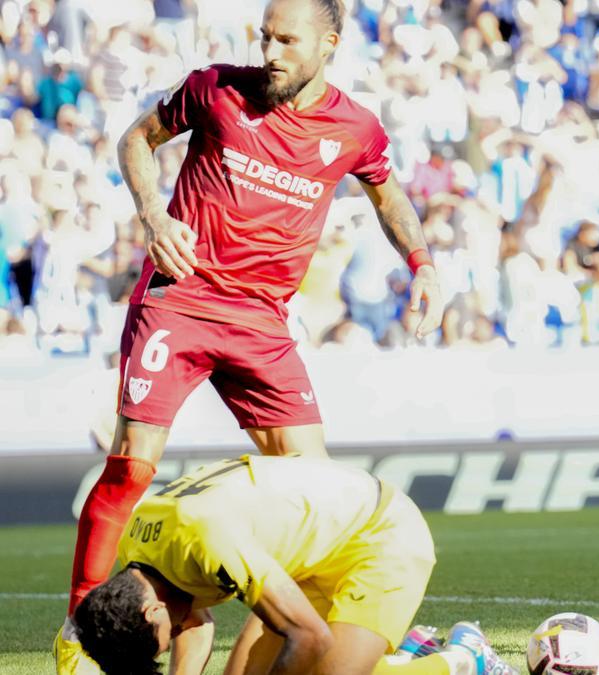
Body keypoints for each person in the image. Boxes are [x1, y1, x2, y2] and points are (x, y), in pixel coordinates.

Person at [54, 0, 446, 671]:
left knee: (317, 487)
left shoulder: (353, 127)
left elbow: (388, 195)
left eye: (287, 40)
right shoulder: (216, 88)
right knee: (132, 463)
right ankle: (79, 635)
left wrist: (424, 264)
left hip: (263, 318)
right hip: (181, 295)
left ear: (329, 42)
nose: (270, 53)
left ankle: (336, 634)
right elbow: (135, 139)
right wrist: (154, 213)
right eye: (264, 37)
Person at [73, 455, 518, 675]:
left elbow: (307, 636)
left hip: (381, 534)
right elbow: (193, 619)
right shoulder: (139, 553)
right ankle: (404, 649)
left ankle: (465, 657)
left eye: (160, 643)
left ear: (151, 611)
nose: (168, 646)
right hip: (310, 554)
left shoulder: (209, 539)